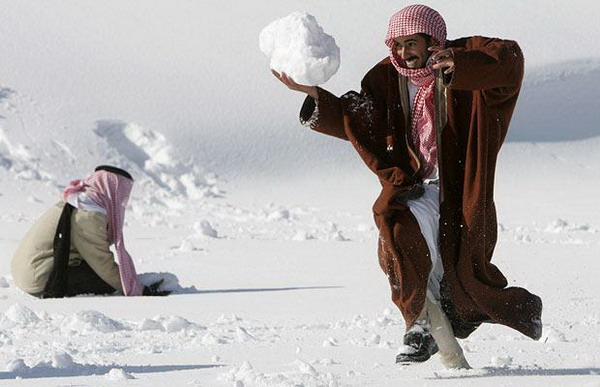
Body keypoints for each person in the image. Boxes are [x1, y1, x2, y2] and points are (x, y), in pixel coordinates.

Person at [272, 4, 542, 369]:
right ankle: (420, 329)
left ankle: (480, 329)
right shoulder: (385, 78)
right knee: (399, 235)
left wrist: (461, 65)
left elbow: (509, 61)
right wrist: (316, 95)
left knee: (460, 281)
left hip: (460, 193)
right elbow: (359, 119)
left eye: (411, 43)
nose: (403, 53)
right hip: (414, 190)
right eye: (396, 44)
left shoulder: (461, 66)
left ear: (433, 40)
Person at [11, 165, 167, 298]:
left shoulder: (81, 200)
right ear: (112, 188)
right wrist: (136, 289)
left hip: (30, 270)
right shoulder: (89, 211)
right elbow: (100, 261)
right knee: (105, 282)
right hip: (37, 276)